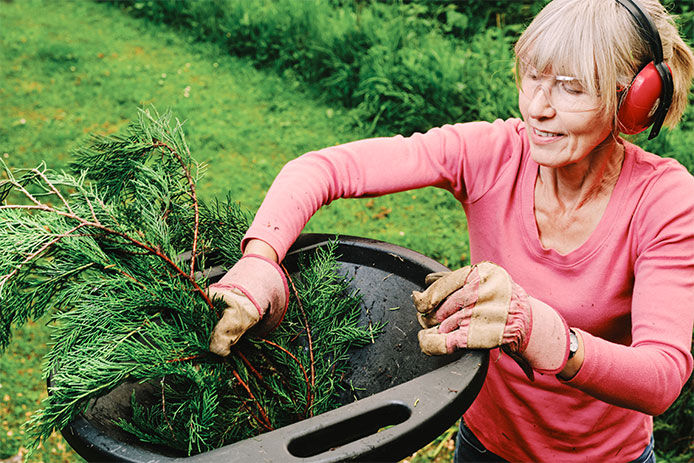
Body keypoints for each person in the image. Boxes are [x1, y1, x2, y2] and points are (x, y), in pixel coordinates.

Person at [207, 0, 694, 461]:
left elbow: (661, 378)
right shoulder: (492, 154)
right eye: (532, 77)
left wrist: (544, 333)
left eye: (571, 87)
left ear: (633, 99)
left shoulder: (664, 201)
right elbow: (321, 169)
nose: (538, 108)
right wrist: (260, 257)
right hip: (483, 444)